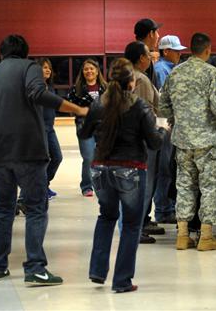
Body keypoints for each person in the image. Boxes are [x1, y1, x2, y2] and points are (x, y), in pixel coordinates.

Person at [0, 34, 88, 285]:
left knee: (2, 209)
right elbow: (37, 93)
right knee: (36, 208)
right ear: (25, 52)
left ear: (2, 53)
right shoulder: (30, 68)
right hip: (28, 151)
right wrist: (75, 108)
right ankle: (35, 267)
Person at [78, 58, 165, 293]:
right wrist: (162, 130)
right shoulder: (140, 107)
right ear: (132, 82)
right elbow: (154, 143)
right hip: (130, 169)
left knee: (106, 217)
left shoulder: (99, 105)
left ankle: (97, 271)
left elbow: (84, 132)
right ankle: (122, 281)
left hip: (100, 169)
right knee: (130, 224)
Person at [160, 32, 216, 251]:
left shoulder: (175, 73)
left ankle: (182, 236)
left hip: (182, 140)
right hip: (207, 141)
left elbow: (163, 106)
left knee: (184, 185)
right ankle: (206, 237)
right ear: (208, 50)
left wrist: (176, 120)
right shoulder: (211, 73)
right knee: (209, 187)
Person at [124, 41, 163, 243]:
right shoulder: (141, 79)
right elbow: (146, 113)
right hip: (143, 142)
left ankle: (134, 227)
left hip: (128, 141)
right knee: (143, 186)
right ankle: (135, 229)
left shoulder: (124, 76)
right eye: (148, 55)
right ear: (141, 58)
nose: (150, 58)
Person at [151, 35, 187, 224]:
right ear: (166, 51)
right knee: (164, 168)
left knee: (168, 167)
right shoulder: (161, 70)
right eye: (176, 51)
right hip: (164, 124)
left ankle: (167, 207)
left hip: (169, 124)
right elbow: (166, 99)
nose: (179, 54)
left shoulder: (169, 69)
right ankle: (164, 210)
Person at [67, 58, 107, 197]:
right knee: (89, 157)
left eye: (92, 68)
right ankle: (86, 186)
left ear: (97, 71)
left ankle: (102, 184)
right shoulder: (76, 89)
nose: (89, 71)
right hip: (84, 127)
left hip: (103, 127)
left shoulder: (105, 87)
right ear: (83, 72)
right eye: (86, 69)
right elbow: (69, 105)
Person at [38, 58, 63, 199]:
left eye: (49, 68)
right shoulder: (34, 87)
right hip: (39, 130)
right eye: (45, 67)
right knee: (42, 161)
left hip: (50, 128)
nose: (48, 70)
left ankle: (44, 185)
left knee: (57, 157)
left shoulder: (50, 87)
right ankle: (36, 190)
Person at [134, 18, 162, 88]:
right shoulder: (143, 57)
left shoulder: (135, 52)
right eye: (157, 32)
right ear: (151, 34)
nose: (158, 36)